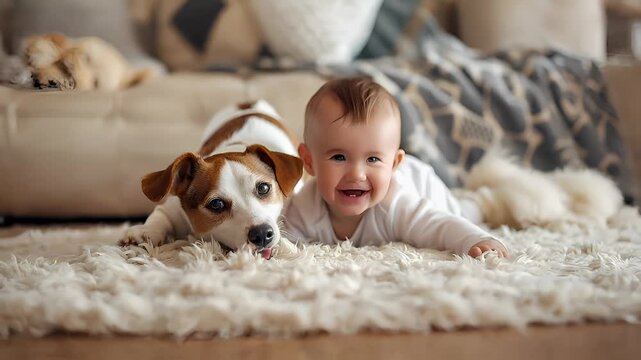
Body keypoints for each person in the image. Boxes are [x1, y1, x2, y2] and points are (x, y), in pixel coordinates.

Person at [283, 77, 508, 258]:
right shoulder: (304, 207)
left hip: (425, 189)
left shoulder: (396, 205)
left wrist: (476, 240)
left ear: (393, 165)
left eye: (372, 160)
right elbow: (283, 237)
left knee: (461, 212)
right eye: (339, 157)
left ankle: (481, 202)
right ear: (309, 161)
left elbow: (440, 225)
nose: (356, 174)